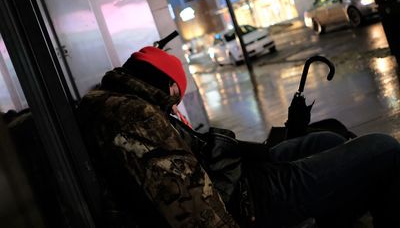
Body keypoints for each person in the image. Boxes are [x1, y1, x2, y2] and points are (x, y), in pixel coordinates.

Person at [78, 46, 400, 228]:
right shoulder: (137, 117)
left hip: (236, 180)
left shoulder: (125, 105)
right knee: (382, 147)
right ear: (172, 87)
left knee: (327, 139)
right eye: (177, 95)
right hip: (248, 202)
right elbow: (190, 205)